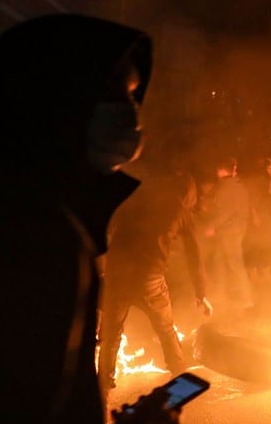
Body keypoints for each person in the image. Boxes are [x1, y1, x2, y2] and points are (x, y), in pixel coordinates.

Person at [0, 13, 181, 424]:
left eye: (133, 95)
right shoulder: (30, 238)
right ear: (62, 103)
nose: (132, 112)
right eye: (118, 95)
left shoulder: (4, 213)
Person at [98, 170, 213, 394]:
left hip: (118, 274)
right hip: (148, 278)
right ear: (189, 194)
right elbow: (194, 256)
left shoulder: (137, 200)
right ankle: (180, 376)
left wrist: (105, 270)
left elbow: (110, 229)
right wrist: (201, 294)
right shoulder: (180, 210)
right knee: (165, 329)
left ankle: (103, 381)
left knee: (111, 332)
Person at [203, 156, 253, 313]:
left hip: (229, 231)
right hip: (234, 229)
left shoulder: (226, 187)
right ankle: (220, 292)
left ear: (221, 170)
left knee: (235, 264)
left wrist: (212, 226)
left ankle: (247, 299)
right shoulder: (238, 185)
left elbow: (225, 212)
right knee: (219, 259)